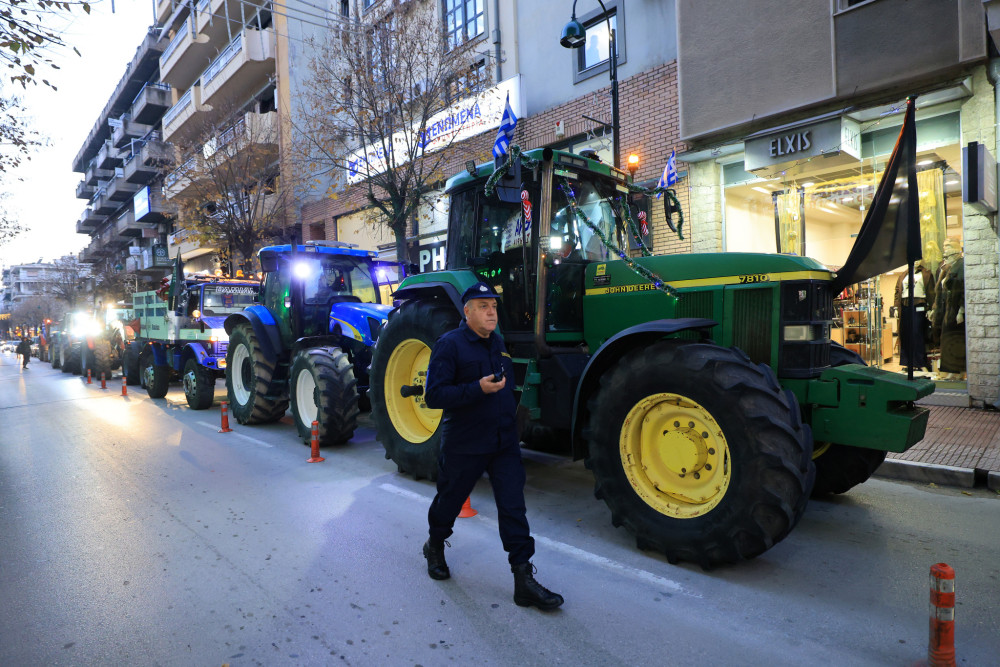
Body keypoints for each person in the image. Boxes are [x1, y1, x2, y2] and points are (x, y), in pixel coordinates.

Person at [422, 282, 564, 611]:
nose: (491, 313)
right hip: (466, 442)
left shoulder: (497, 343)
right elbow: (435, 395)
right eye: (483, 306)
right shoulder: (449, 345)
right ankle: (435, 545)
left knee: (513, 507)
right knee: (450, 500)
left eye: (494, 307)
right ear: (467, 311)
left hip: (503, 442)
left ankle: (523, 579)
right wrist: (477, 388)